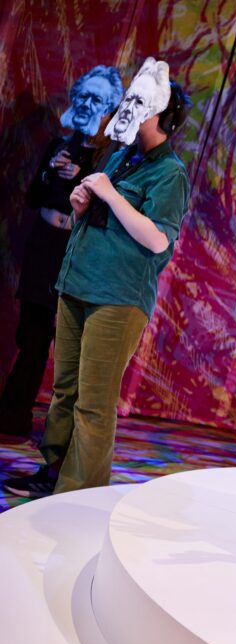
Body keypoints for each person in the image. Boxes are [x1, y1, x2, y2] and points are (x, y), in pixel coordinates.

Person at [2, 58, 190, 498]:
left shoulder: (170, 172)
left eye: (138, 103)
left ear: (160, 114)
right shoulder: (121, 156)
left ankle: (78, 493)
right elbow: (105, 221)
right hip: (78, 284)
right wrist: (83, 205)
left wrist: (109, 194)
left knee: (93, 400)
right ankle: (53, 472)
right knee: (64, 390)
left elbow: (157, 238)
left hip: (117, 298)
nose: (127, 109)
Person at [0, 65, 122, 437]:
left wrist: (82, 180)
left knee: (67, 342)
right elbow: (33, 199)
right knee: (31, 335)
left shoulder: (111, 158)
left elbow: (107, 215)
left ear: (110, 109)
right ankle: (14, 415)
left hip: (75, 252)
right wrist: (48, 173)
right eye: (82, 96)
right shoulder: (60, 146)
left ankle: (60, 426)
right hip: (42, 246)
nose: (86, 104)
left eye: (96, 99)